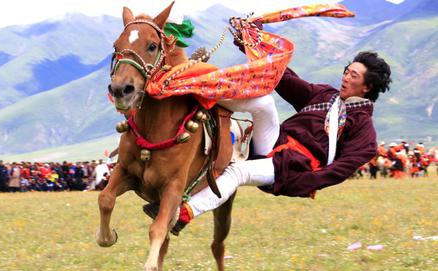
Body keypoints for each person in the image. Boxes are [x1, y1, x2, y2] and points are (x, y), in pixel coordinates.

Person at [145, 51, 392, 235]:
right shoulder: (327, 95)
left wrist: (309, 182)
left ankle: (182, 215)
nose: (346, 77)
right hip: (276, 142)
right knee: (264, 103)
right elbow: (287, 79)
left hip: (294, 167)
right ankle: (198, 91)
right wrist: (254, 48)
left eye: (354, 75)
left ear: (367, 87)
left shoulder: (362, 126)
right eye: (347, 71)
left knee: (238, 171)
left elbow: (344, 167)